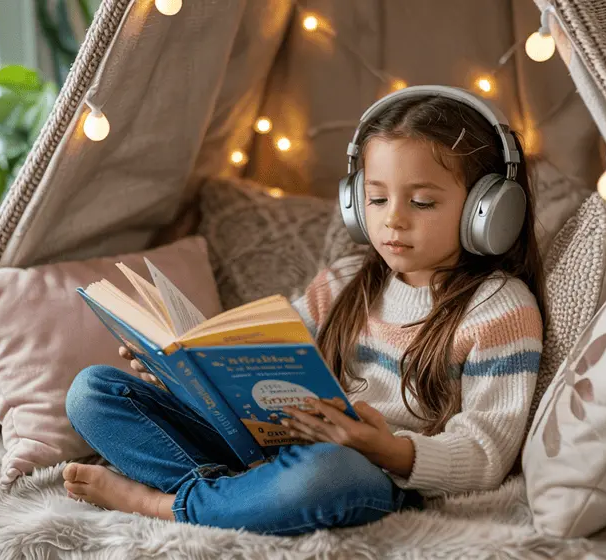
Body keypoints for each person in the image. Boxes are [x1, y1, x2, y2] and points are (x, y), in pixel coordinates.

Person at [62, 86, 545, 536]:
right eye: (376, 198)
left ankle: (163, 505)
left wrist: (387, 448)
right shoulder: (344, 280)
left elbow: (487, 454)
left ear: (488, 210)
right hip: (274, 448)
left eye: (421, 201)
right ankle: (237, 495)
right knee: (93, 393)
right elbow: (259, 359)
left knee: (327, 474)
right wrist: (180, 374)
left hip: (374, 474)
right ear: (356, 202)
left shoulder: (500, 310)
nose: (393, 218)